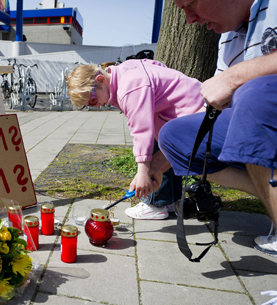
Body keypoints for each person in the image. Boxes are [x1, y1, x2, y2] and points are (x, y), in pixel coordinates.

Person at [154, 1, 277, 305]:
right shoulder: (229, 38)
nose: (188, 19)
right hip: (258, 112)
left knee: (255, 97)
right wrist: (156, 168)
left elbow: (237, 88)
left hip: (273, 107)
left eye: (191, 4)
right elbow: (213, 111)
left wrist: (240, 77)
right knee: (176, 136)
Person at [66, 59, 206, 220]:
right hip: (193, 105)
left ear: (100, 80)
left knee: (152, 152)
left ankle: (156, 204)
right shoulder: (125, 69)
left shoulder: (129, 87)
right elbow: (158, 65)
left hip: (196, 112)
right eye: (90, 105)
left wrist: (143, 171)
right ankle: (169, 201)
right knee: (159, 155)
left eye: (93, 100)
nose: (96, 106)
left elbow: (141, 130)